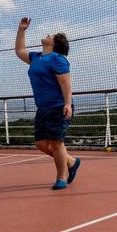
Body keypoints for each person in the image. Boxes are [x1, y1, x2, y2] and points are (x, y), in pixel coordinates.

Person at [14, 17, 81, 190]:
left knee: (57, 143)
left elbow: (66, 83)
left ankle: (62, 177)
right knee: (41, 144)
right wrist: (21, 30)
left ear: (55, 43)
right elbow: (20, 50)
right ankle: (71, 161)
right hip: (43, 107)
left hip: (58, 105)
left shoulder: (58, 59)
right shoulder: (36, 57)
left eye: (51, 35)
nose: (47, 35)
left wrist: (67, 104)